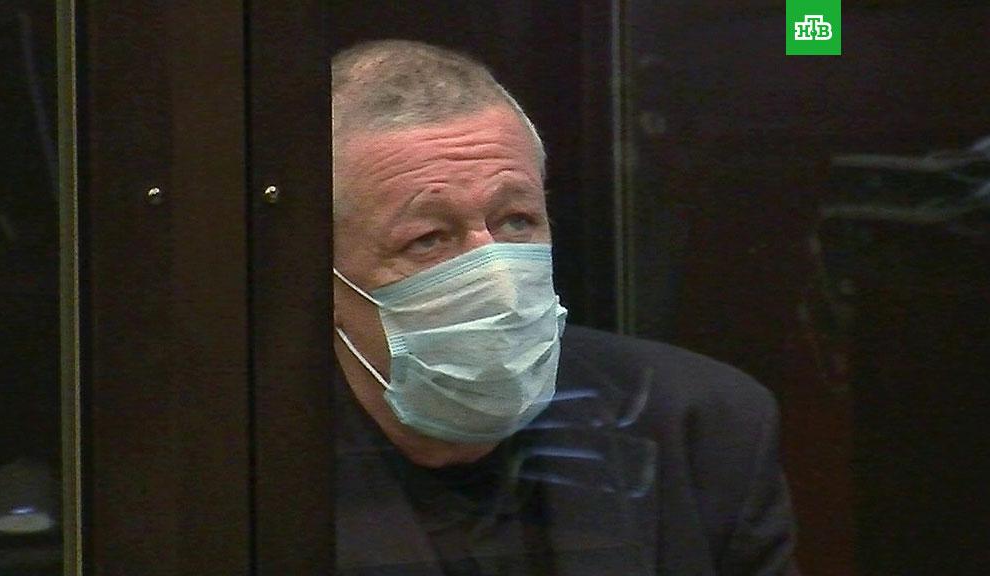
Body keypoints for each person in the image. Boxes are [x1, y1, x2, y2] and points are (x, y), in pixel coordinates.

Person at [332, 39, 797, 576]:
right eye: (429, 238)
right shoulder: (261, 476)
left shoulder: (701, 428)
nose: (498, 278)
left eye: (517, 220)